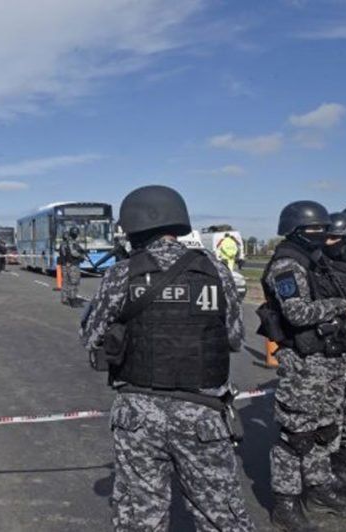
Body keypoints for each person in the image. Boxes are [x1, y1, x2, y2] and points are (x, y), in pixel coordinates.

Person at [81, 185, 254, 531]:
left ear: (132, 225)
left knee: (140, 518)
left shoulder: (121, 274)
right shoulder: (215, 271)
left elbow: (91, 337)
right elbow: (235, 338)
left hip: (138, 417)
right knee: (222, 517)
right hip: (203, 413)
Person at [257, 201, 346, 530]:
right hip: (303, 363)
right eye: (316, 229)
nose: (322, 234)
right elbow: (297, 313)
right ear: (297, 230)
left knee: (325, 429)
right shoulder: (287, 265)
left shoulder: (313, 261)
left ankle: (319, 487)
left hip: (326, 360)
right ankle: (285, 504)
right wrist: (340, 306)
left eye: (325, 229)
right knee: (297, 436)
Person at [323, 212, 346, 481]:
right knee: (332, 410)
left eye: (334, 237)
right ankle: (330, 461)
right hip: (332, 351)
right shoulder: (319, 268)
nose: (328, 242)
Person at [59, 227, 86, 307]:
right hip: (73, 264)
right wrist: (81, 255)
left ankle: (65, 299)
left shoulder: (65, 243)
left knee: (66, 282)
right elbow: (73, 253)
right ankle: (72, 300)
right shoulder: (71, 242)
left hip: (66, 264)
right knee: (73, 282)